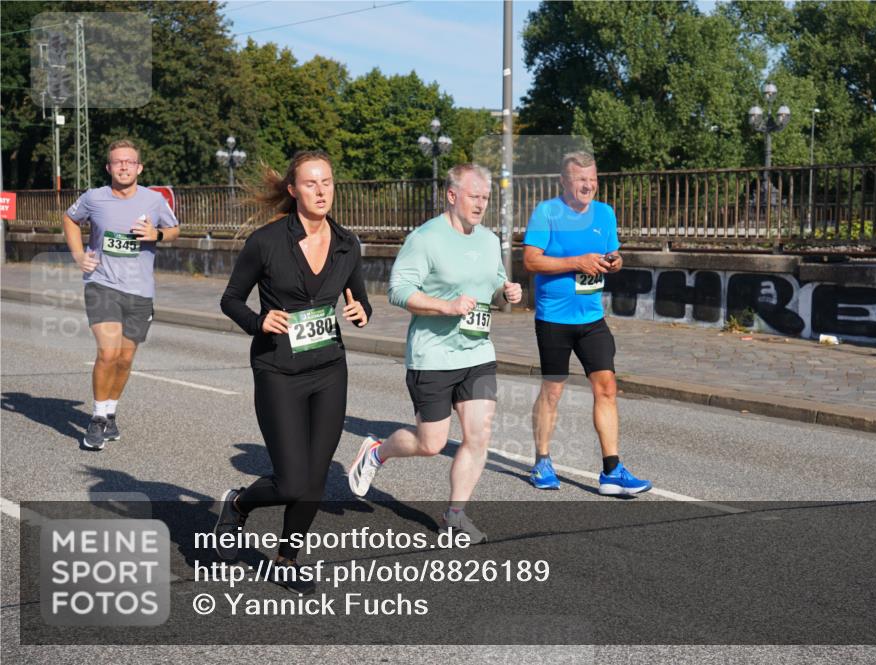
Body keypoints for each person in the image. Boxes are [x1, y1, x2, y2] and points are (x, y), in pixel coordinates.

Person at [216, 150, 372, 593]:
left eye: (327, 182)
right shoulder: (266, 242)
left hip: (328, 369)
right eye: (311, 184)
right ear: (293, 190)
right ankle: (240, 504)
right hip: (278, 368)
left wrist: (361, 311)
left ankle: (287, 557)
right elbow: (230, 299)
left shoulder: (347, 243)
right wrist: (258, 321)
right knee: (292, 479)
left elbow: (358, 300)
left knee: (317, 477)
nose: (321, 191)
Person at [347, 163, 521, 543]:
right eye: (474, 196)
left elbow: (491, 277)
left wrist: (507, 288)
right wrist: (446, 306)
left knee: (478, 437)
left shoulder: (489, 240)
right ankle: (377, 452)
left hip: (477, 352)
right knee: (432, 443)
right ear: (452, 195)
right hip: (434, 356)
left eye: (486, 198)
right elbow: (398, 290)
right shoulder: (425, 238)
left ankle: (454, 517)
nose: (480, 204)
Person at [522, 151, 651, 495]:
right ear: (564, 181)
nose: (588, 185)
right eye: (581, 179)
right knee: (553, 391)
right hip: (554, 319)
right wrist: (575, 261)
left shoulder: (605, 213)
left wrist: (615, 262)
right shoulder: (547, 212)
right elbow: (531, 261)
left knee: (607, 386)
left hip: (592, 318)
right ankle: (542, 462)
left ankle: (612, 470)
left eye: (593, 179)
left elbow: (614, 254)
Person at [63, 139, 180, 451]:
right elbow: (70, 219)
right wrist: (78, 254)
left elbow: (175, 229)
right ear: (109, 168)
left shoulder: (154, 200)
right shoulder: (94, 198)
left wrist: (157, 234)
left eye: (130, 162)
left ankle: (111, 412)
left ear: (139, 167)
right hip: (101, 284)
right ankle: (98, 417)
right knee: (108, 353)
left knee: (125, 358)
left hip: (140, 290)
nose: (124, 166)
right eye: (118, 162)